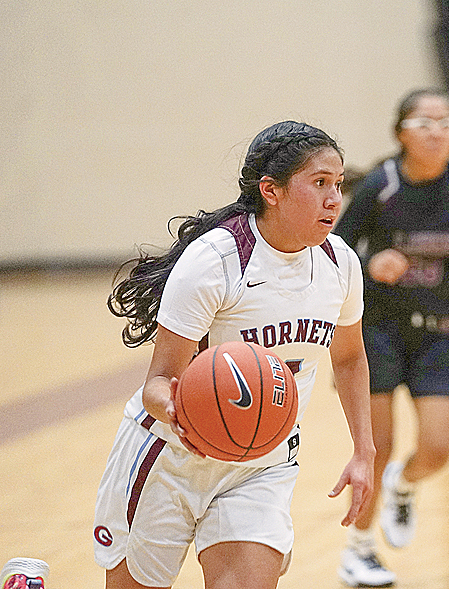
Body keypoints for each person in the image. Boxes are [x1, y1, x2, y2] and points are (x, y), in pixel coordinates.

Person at [93, 121, 375, 589]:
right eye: (319, 183)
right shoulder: (217, 261)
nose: (334, 199)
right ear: (272, 190)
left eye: (338, 184)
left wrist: (364, 449)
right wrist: (186, 416)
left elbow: (348, 357)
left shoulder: (340, 263)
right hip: (171, 456)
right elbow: (158, 384)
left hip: (260, 463)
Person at [333, 88, 449, 587]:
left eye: (446, 122)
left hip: (441, 333)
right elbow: (336, 250)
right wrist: (368, 264)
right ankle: (358, 549)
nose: (436, 131)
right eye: (424, 122)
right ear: (401, 132)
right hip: (378, 332)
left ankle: (403, 488)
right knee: (377, 446)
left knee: (437, 448)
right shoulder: (380, 186)